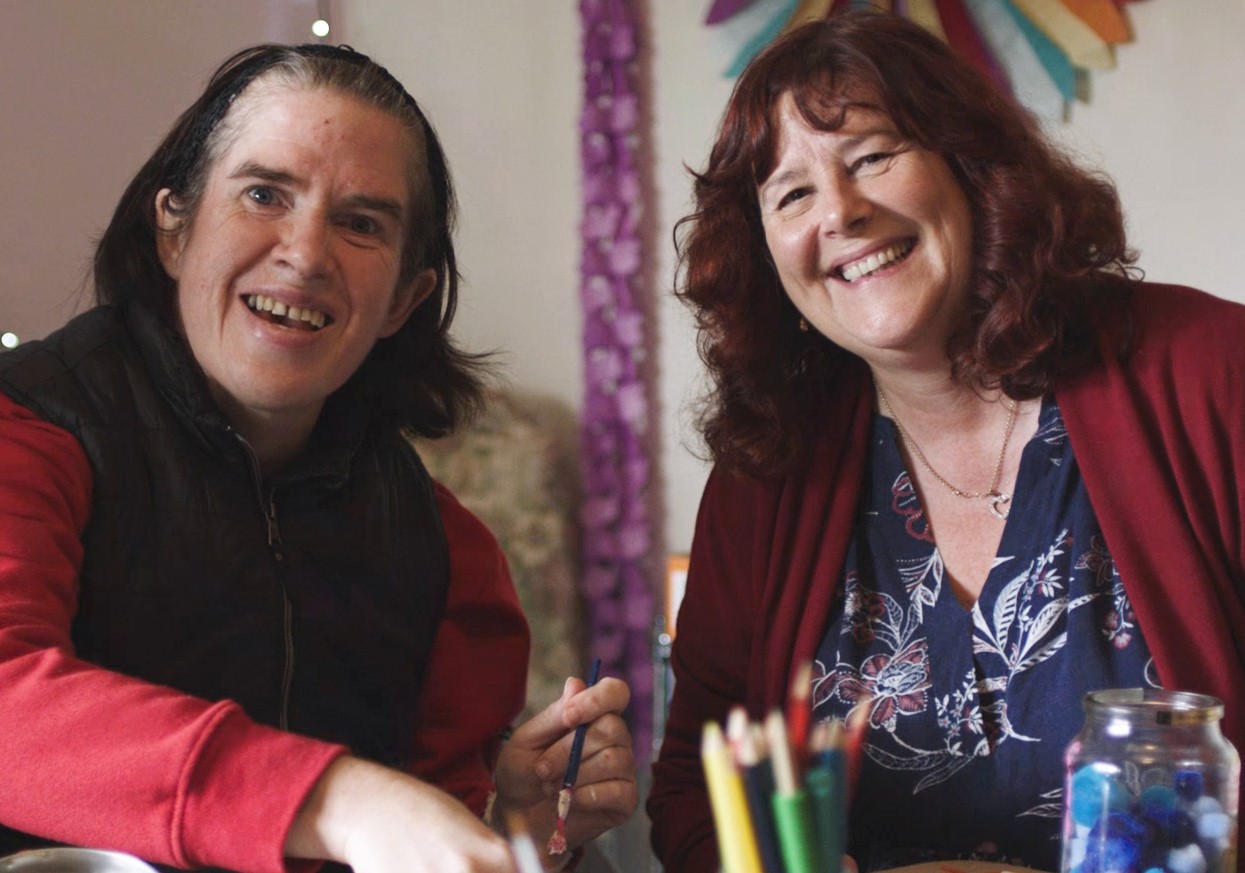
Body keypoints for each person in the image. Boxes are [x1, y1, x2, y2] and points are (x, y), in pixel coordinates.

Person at [0, 43, 637, 873]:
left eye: (361, 223)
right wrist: (337, 800)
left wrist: (523, 829)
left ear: (405, 300)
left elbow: (449, 835)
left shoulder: (448, 553)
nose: (305, 253)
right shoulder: (29, 427)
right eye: (264, 193)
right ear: (174, 228)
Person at [648, 10, 1245, 872]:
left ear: (968, 164)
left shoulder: (1206, 371)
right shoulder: (766, 472)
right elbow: (694, 790)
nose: (842, 213)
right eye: (791, 193)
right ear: (764, 253)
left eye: (872, 157)